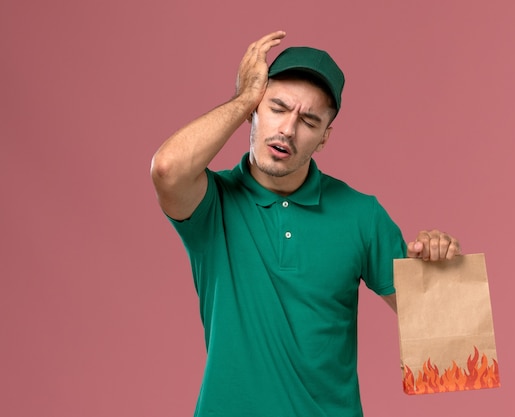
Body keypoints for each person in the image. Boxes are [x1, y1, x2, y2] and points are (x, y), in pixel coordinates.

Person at [151, 30, 461, 417]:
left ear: (324, 137)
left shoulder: (361, 214)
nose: (287, 130)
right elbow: (166, 169)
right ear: (254, 111)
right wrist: (245, 96)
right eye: (277, 107)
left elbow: (447, 332)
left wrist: (441, 265)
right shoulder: (213, 203)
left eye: (309, 121)